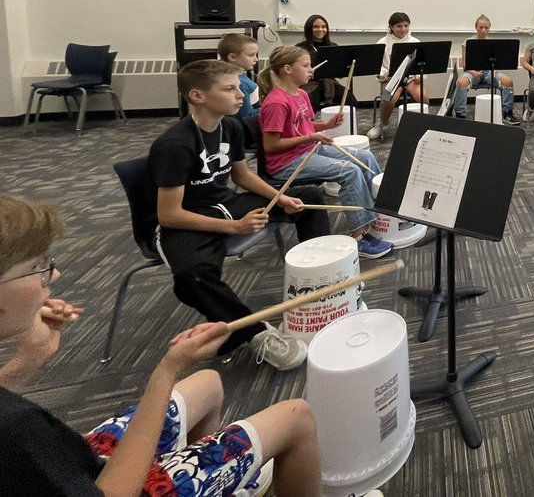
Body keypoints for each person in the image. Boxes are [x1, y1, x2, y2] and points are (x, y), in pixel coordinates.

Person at [0, 194, 325, 495]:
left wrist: (30, 357)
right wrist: (166, 371)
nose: (54, 275)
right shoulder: (18, 430)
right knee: (296, 414)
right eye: (37, 268)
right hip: (104, 485)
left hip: (72, 461)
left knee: (208, 382)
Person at [150, 60, 330, 370]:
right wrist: (233, 227)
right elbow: (169, 215)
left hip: (226, 204)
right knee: (192, 276)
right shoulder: (175, 144)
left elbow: (242, 177)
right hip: (188, 219)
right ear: (197, 96)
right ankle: (255, 334)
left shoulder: (230, 126)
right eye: (230, 89)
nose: (241, 96)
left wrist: (281, 197)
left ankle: (320, 286)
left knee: (309, 196)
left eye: (239, 87)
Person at [258, 46, 392, 260]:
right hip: (287, 163)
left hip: (309, 150)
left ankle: (380, 212)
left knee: (364, 156)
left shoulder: (301, 94)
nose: (311, 70)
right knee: (349, 171)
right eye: (305, 66)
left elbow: (305, 125)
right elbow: (271, 146)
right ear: (287, 69)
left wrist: (326, 125)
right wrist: (310, 138)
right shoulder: (276, 102)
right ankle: (359, 236)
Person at [369, 12, 427, 139]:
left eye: (406, 26)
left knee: (424, 98)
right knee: (389, 99)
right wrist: (385, 75)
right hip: (391, 79)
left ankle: (425, 124)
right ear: (391, 27)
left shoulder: (415, 42)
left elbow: (422, 63)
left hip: (410, 79)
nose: (403, 29)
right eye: (399, 26)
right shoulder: (382, 43)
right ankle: (383, 124)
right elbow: (378, 67)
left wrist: (419, 75)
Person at [453, 14, 520, 125]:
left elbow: (496, 62)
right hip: (472, 73)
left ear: (489, 28)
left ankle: (507, 113)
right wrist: (473, 72)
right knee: (461, 82)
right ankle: (460, 114)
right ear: (476, 27)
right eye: (481, 27)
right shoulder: (468, 42)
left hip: (489, 73)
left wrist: (495, 71)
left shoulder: (492, 44)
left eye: (486, 27)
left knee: (508, 81)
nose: (483, 30)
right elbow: (464, 63)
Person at [296, 13, 345, 112]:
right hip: (310, 83)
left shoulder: (333, 46)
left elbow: (340, 71)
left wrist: (341, 70)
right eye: (316, 27)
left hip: (329, 82)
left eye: (323, 27)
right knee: (308, 104)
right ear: (309, 29)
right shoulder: (300, 48)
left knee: (350, 100)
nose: (320, 30)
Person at [216, 32, 260, 120]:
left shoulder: (242, 77)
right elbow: (247, 116)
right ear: (232, 57)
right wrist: (270, 108)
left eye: (256, 55)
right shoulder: (239, 83)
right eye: (251, 55)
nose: (256, 59)